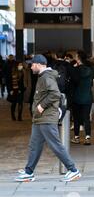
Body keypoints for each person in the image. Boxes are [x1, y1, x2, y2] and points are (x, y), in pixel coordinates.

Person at [14, 55, 81, 183]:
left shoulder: (46, 77)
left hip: (47, 118)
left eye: (32, 64)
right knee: (35, 146)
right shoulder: (42, 77)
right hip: (40, 119)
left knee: (55, 145)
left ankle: (73, 170)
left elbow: (55, 94)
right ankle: (29, 172)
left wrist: (41, 106)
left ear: (39, 64)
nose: (31, 66)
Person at [70, 51, 94, 145]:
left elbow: (73, 83)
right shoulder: (90, 70)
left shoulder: (75, 70)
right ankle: (87, 137)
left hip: (77, 97)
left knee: (76, 118)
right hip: (87, 97)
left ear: (79, 58)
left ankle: (76, 137)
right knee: (86, 118)